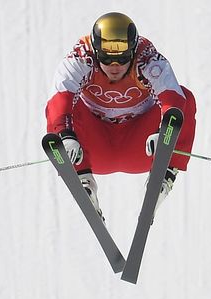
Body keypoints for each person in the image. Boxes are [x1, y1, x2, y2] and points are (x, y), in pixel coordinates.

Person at [45, 12, 196, 221]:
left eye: (123, 58)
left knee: (185, 96)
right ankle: (82, 181)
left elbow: (172, 98)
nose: (114, 66)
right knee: (61, 104)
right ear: (96, 51)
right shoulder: (81, 57)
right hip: (94, 148)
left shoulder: (147, 58)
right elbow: (60, 99)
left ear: (133, 51)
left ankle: (164, 176)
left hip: (142, 145)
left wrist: (164, 132)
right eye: (106, 58)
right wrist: (66, 136)